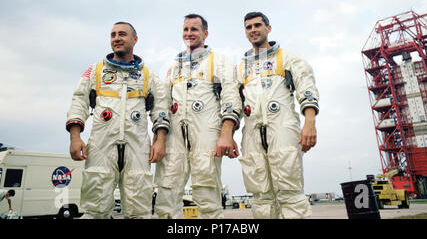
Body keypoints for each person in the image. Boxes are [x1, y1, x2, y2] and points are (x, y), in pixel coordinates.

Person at [66, 22, 170, 219]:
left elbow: (161, 109)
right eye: (113, 35)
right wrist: (75, 137)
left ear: (135, 40)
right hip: (102, 145)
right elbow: (78, 101)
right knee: (95, 208)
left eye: (122, 34)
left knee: (139, 209)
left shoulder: (148, 76)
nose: (117, 38)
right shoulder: (95, 71)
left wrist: (160, 140)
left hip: (137, 147)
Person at [154, 14, 241, 219]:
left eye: (194, 29)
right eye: (186, 29)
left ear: (205, 33)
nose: (189, 33)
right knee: (166, 191)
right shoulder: (174, 66)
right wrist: (159, 138)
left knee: (206, 190)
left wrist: (226, 133)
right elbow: (161, 103)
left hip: (206, 133)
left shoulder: (219, 61)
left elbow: (231, 98)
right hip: (175, 135)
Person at [237, 12, 319, 219]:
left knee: (290, 191)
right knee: (261, 196)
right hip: (253, 134)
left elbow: (306, 89)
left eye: (257, 25)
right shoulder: (241, 68)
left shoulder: (287, 58)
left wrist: (309, 123)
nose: (253, 30)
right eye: (248, 27)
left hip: (282, 128)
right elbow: (234, 104)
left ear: (268, 28)